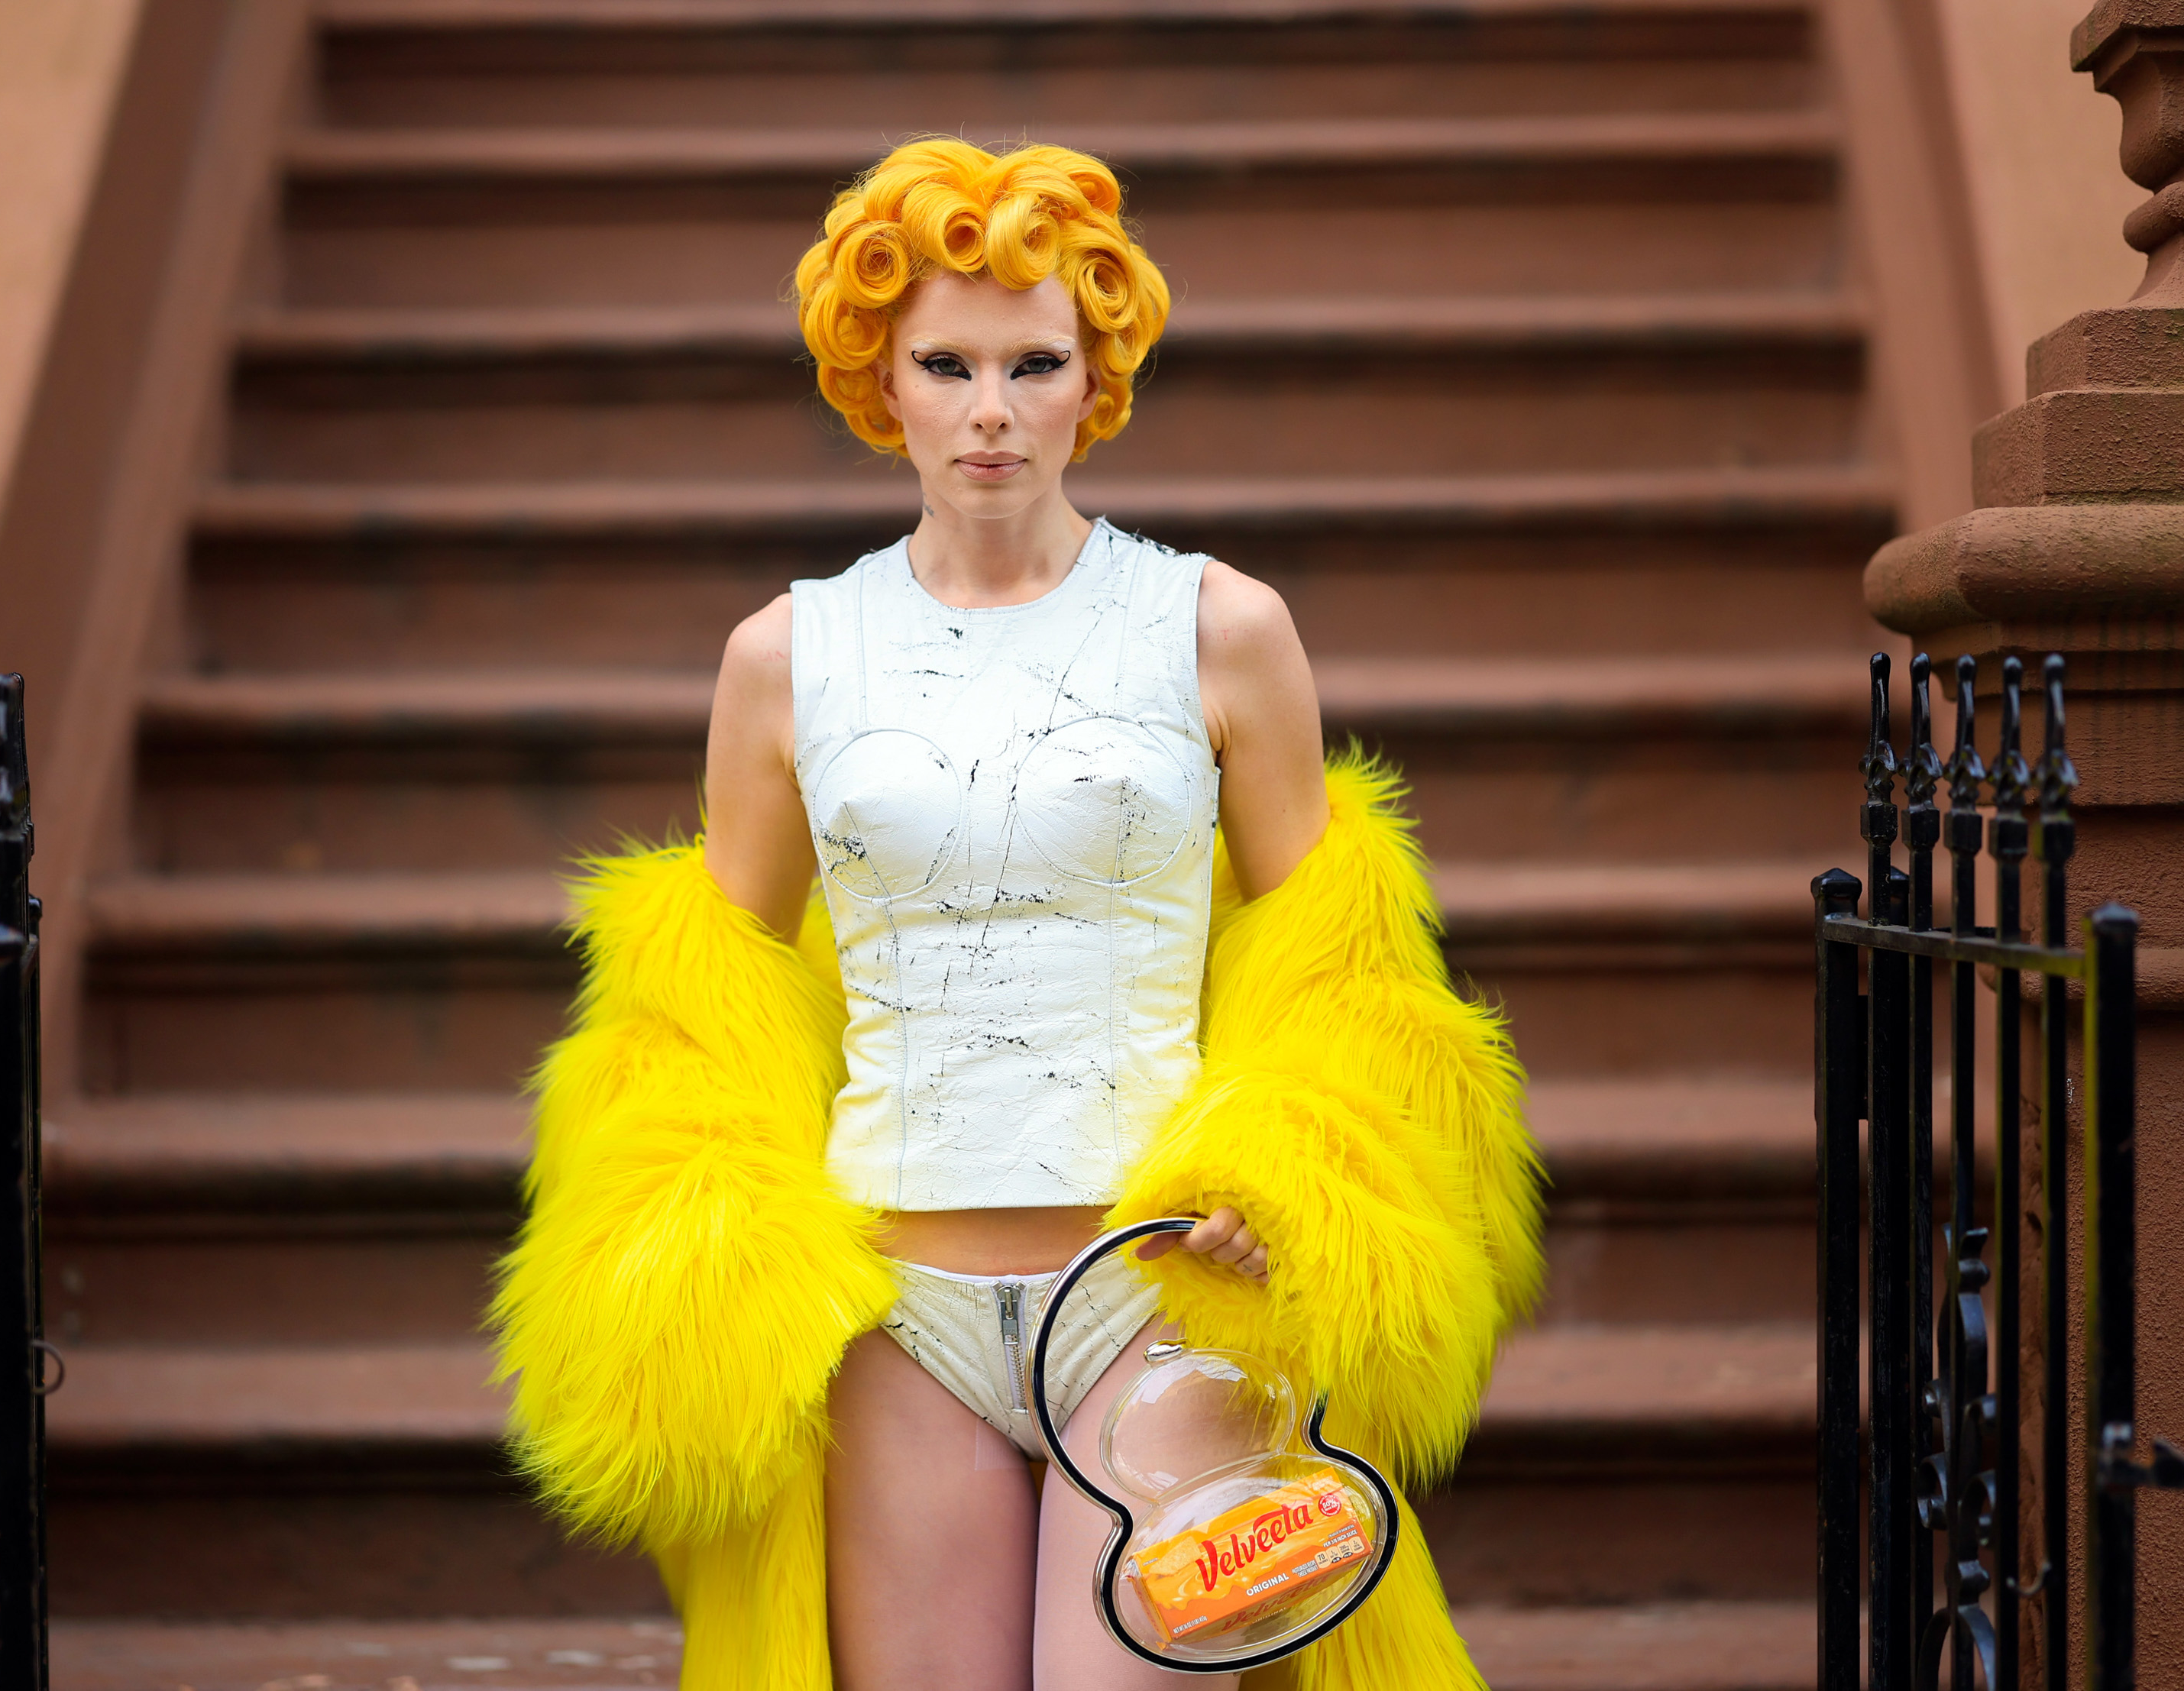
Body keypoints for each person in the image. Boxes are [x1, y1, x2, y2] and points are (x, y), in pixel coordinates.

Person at [490, 138, 1542, 1691]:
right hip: (895, 1318)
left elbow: (1333, 965)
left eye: (1031, 361)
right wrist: (707, 1257)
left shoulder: (1221, 628)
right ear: (882, 380)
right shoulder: (783, 658)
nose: (989, 409)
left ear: (1090, 377)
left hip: (1158, 1299)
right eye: (946, 363)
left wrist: (1292, 1162)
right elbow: (708, 1009)